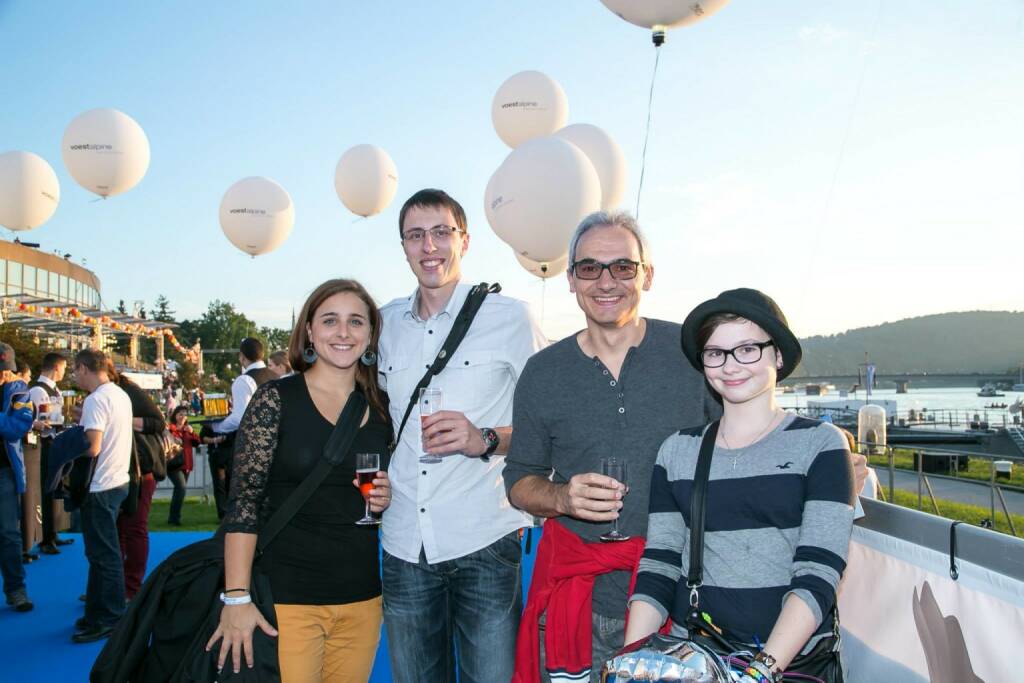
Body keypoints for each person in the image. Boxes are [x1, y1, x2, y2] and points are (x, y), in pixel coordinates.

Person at [504, 212, 867, 682]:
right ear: (571, 278)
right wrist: (560, 497)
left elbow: (753, 434)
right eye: (590, 267)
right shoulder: (543, 372)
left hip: (689, 615)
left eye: (624, 266)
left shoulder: (693, 350)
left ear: (647, 275)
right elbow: (518, 480)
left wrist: (829, 467)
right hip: (585, 599)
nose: (606, 280)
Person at [625, 289, 855, 682]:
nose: (730, 365)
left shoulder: (821, 444)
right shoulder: (677, 451)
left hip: (790, 665)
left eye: (747, 349)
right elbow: (660, 564)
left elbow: (818, 572)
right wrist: (633, 661)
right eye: (715, 353)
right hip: (696, 660)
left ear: (777, 355)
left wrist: (760, 672)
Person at [378, 188, 546, 683]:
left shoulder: (510, 318)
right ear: (403, 246)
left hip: (485, 539)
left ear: (464, 240)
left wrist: (485, 438)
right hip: (405, 541)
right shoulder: (384, 324)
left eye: (440, 232)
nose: (429, 246)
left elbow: (549, 426)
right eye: (415, 235)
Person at [209, 279, 393, 682]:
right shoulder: (275, 399)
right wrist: (236, 596)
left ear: (371, 334)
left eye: (356, 322)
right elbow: (244, 503)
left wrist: (385, 495)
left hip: (362, 598)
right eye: (330, 320)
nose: (343, 333)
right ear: (309, 330)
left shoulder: (381, 409)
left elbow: (380, 489)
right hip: (286, 599)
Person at [72, 349, 133, 643]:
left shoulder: (96, 399)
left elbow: (92, 447)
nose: (74, 377)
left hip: (99, 484)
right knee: (100, 554)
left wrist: (68, 444)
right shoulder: (119, 394)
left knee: (103, 554)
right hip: (118, 480)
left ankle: (109, 616)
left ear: (84, 368)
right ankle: (98, 613)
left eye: (75, 371)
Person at [114, 370, 168, 600]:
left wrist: (122, 420)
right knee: (117, 531)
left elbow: (158, 422)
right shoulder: (110, 392)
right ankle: (112, 584)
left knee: (134, 527)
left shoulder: (129, 392)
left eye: (78, 370)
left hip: (140, 468)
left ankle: (131, 588)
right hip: (119, 469)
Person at [210, 338, 275, 519]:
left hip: (253, 447)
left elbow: (240, 417)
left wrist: (218, 426)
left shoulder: (245, 380)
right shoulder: (275, 375)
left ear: (242, 357)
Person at [0, 343, 35, 612]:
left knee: (8, 533)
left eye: (7, 370)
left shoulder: (20, 391)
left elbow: (16, 428)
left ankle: (16, 589)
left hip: (4, 474)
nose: (4, 375)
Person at [27, 352, 73, 555]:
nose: (64, 372)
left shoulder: (54, 390)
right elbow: (37, 418)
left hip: (56, 442)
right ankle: (45, 538)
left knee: (55, 488)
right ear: (56, 367)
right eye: (63, 367)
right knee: (46, 489)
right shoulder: (38, 390)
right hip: (44, 444)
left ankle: (53, 532)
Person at [166, 406, 198, 525]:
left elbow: (197, 443)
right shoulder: (170, 429)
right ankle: (174, 518)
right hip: (173, 464)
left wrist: (192, 433)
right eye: (180, 414)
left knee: (180, 491)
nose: (182, 417)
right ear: (175, 415)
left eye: (185, 414)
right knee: (181, 487)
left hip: (186, 464)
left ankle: (173, 517)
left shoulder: (187, 429)